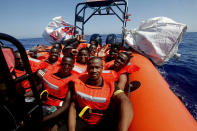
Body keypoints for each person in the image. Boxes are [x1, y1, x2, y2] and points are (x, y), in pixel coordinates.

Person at [68, 57, 133, 131]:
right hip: (81, 120)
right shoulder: (78, 82)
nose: (94, 71)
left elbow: (125, 101)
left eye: (97, 67)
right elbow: (73, 106)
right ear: (87, 68)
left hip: (101, 123)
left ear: (102, 68)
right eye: (91, 68)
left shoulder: (110, 85)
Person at [37, 56, 77, 130]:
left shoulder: (72, 81)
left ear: (73, 66)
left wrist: (44, 119)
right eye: (64, 64)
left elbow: (65, 106)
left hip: (59, 108)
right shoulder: (51, 74)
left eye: (69, 65)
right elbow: (40, 83)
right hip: (45, 103)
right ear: (60, 64)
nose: (66, 66)